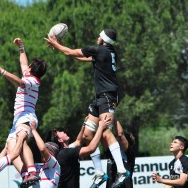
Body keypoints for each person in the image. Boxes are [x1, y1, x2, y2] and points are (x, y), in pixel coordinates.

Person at [45, 29, 130, 188]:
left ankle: (121, 171)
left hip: (107, 96)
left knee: (105, 132)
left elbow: (71, 52)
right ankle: (99, 173)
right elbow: (76, 56)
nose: (97, 37)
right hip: (100, 97)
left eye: (99, 35)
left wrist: (56, 43)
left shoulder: (98, 49)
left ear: (103, 39)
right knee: (88, 134)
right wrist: (61, 48)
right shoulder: (110, 52)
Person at [0, 37, 47, 186]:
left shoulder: (32, 82)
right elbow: (23, 62)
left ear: (31, 70)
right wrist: (21, 47)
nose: (26, 66)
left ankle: (33, 172)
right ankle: (25, 175)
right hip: (18, 119)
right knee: (10, 149)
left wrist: (2, 70)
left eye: (29, 66)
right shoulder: (29, 75)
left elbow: (20, 83)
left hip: (26, 117)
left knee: (22, 140)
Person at [47, 116, 112, 188]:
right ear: (60, 140)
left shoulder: (65, 151)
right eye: (59, 132)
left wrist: (84, 125)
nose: (63, 131)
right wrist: (100, 127)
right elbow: (91, 148)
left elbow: (78, 141)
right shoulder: (66, 153)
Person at [105, 121, 136, 188]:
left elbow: (120, 134)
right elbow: (105, 137)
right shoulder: (112, 152)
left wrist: (112, 115)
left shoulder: (129, 153)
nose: (114, 139)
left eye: (116, 138)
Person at [30, 121, 61, 188]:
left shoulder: (55, 166)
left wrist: (33, 130)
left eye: (47, 151)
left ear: (52, 153)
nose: (42, 154)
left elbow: (42, 149)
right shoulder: (38, 168)